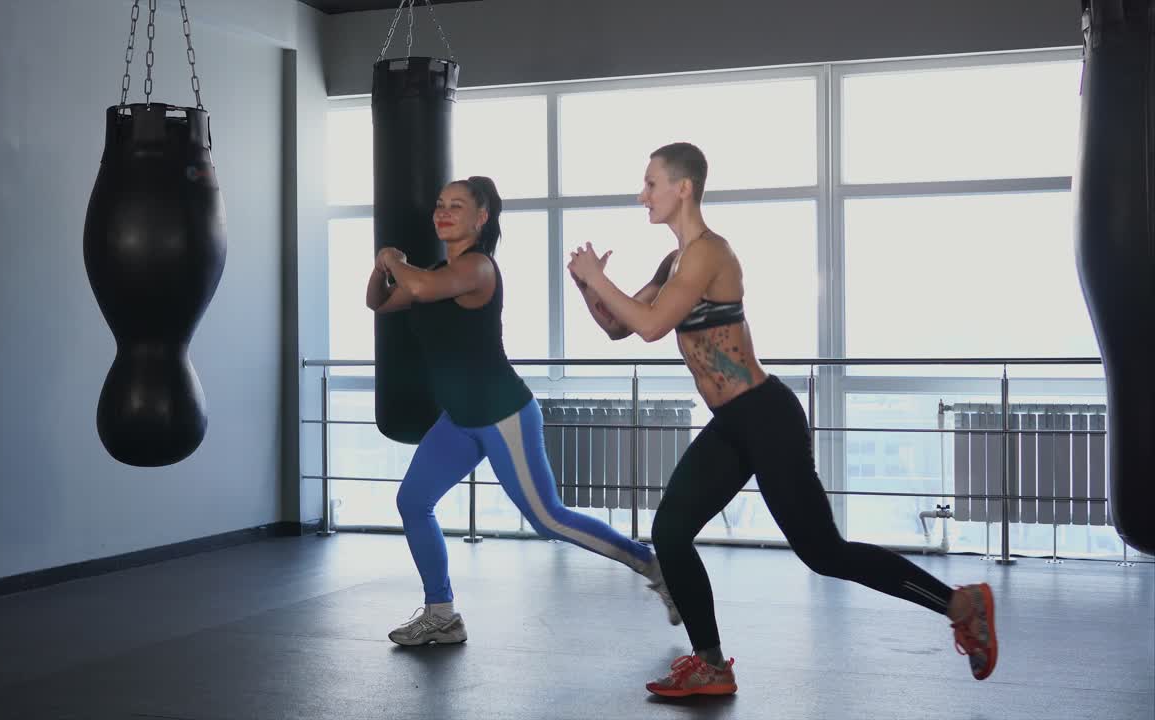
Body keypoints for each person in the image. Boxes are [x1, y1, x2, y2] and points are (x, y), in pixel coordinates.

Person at [567, 143, 998, 697]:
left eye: (650, 183)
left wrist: (598, 282)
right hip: (730, 424)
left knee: (823, 553)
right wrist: (588, 287)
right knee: (670, 531)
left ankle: (962, 603)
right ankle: (712, 665)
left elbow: (651, 326)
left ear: (683, 188)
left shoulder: (708, 253)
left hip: (766, 417)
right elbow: (619, 327)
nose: (641, 194)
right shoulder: (673, 262)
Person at [367, 175, 680, 646]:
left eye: (457, 205)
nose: (443, 212)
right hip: (458, 419)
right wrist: (380, 268)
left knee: (547, 519)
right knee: (413, 501)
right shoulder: (432, 272)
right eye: (439, 204)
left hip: (502, 414)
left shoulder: (477, 269)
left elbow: (411, 284)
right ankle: (441, 613)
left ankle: (652, 565)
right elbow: (380, 301)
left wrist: (392, 259)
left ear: (481, 217)